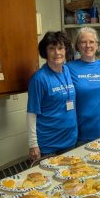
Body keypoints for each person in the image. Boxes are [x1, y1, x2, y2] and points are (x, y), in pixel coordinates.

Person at [27, 31, 77, 161]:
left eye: (60, 48)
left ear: (66, 50)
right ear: (45, 52)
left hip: (70, 141)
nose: (57, 53)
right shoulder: (39, 79)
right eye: (52, 48)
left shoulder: (68, 71)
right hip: (49, 145)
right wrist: (33, 144)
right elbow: (32, 114)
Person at [67, 27, 100, 143]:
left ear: (97, 45)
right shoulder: (68, 68)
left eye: (91, 42)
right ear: (77, 46)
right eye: (83, 42)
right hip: (81, 132)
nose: (88, 45)